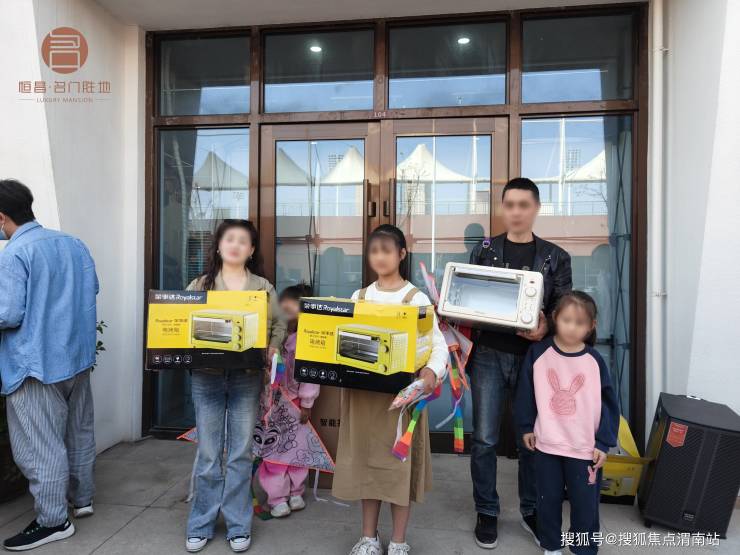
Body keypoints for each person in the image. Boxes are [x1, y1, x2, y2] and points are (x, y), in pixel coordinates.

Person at [467, 177, 572, 549]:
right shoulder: (483, 250)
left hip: (534, 359)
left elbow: (564, 309)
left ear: (536, 208)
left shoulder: (556, 257)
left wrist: (546, 328)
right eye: (509, 204)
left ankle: (532, 510)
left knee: (533, 439)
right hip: (488, 356)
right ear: (502, 208)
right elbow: (470, 299)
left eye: (523, 205)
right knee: (484, 439)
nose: (516, 212)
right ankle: (487, 511)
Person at [332, 224, 449, 555]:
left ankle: (398, 541)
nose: (380, 257)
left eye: (387, 250)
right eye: (374, 251)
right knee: (367, 467)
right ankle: (368, 537)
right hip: (364, 398)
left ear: (401, 254)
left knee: (398, 471)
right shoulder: (360, 297)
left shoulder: (416, 298)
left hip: (401, 401)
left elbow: (437, 343)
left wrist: (431, 371)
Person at [0, 179, 99, 551]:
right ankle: (82, 498)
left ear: (2, 217)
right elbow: (91, 290)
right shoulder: (73, 243)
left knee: (39, 447)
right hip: (76, 358)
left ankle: (53, 521)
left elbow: (8, 313)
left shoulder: (14, 253)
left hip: (33, 365)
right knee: (77, 432)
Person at [184, 219, 286, 554]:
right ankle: (201, 523)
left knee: (241, 453)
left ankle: (238, 525)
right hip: (207, 375)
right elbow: (181, 322)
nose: (235, 245)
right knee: (209, 453)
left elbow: (278, 324)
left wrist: (272, 347)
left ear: (251, 250)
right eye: (229, 239)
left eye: (243, 241)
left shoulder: (263, 287)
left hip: (246, 376)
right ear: (218, 246)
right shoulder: (200, 284)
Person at [514, 291, 619, 555]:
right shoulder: (538, 353)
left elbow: (609, 405)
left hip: (585, 449)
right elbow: (525, 393)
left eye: (580, 323)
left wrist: (603, 442)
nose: (572, 327)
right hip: (547, 444)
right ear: (555, 318)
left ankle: (584, 549)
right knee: (547, 500)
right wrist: (526, 426)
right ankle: (551, 546)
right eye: (567, 320)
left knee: (585, 505)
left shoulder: (594, 361)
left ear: (591, 326)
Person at [258, 282, 319, 518]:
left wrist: (307, 404)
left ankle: (292, 494)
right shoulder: (273, 338)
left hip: (293, 404)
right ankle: (280, 497)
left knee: (293, 448)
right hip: (272, 404)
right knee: (277, 450)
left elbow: (311, 375)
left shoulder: (307, 340)